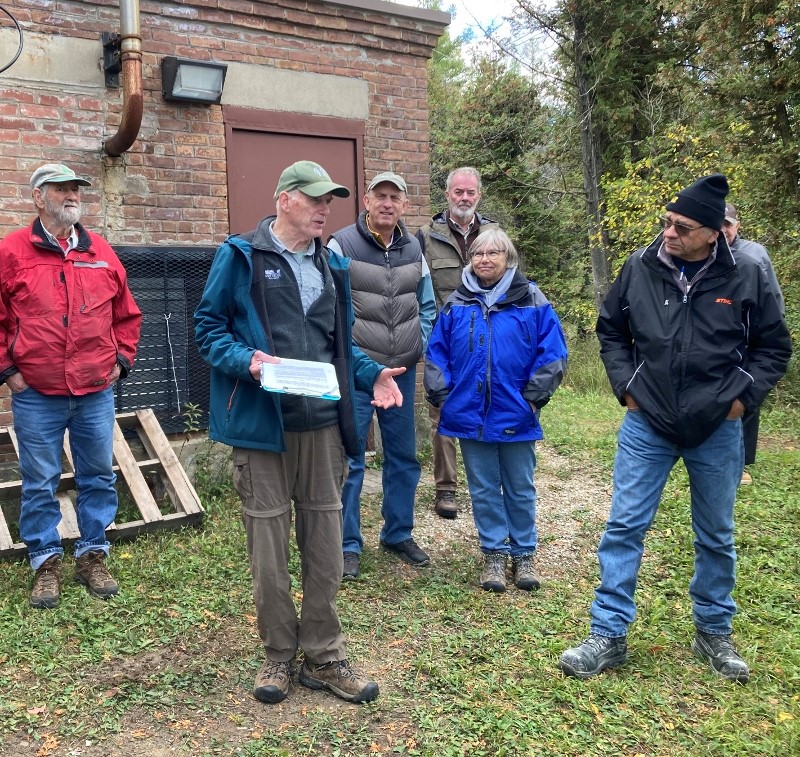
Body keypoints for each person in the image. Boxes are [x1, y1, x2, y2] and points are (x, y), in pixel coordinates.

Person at [559, 174, 791, 684]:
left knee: (716, 534)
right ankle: (608, 634)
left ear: (713, 232)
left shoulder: (748, 273)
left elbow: (773, 348)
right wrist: (628, 388)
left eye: (682, 227)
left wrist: (739, 402)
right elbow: (611, 331)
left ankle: (713, 632)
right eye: (666, 221)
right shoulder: (640, 267)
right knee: (624, 526)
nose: (668, 233)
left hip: (717, 426)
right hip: (649, 421)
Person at [194, 160, 406, 706]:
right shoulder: (240, 256)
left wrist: (371, 373)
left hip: (322, 428)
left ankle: (326, 654)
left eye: (329, 200)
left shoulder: (333, 266)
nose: (324, 209)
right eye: (314, 199)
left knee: (326, 549)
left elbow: (338, 349)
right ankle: (278, 655)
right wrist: (250, 362)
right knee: (269, 550)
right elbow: (207, 330)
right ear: (284, 198)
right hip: (265, 429)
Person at [0, 163, 142, 609]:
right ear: (38, 197)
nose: (71, 196)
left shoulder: (100, 251)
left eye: (75, 189)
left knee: (97, 474)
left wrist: (121, 360)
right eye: (61, 189)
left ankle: (92, 553)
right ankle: (45, 561)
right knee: (40, 480)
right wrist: (8, 372)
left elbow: (127, 314)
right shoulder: (12, 252)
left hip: (94, 390)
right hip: (37, 392)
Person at [424, 228, 568, 592]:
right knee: (484, 487)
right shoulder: (457, 302)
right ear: (470, 259)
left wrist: (533, 399)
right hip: (469, 414)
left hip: (515, 412)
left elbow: (552, 353)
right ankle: (493, 553)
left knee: (520, 485)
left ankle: (524, 553)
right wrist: (443, 396)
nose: (485, 259)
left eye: (493, 253)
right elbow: (437, 353)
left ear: (508, 258)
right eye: (478, 254)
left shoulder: (531, 299)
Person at [328, 171, 437, 580]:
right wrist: (353, 358)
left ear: (405, 205)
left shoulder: (414, 249)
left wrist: (417, 343)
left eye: (395, 197)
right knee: (352, 457)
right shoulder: (342, 244)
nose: (388, 203)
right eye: (381, 196)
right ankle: (347, 544)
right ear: (366, 200)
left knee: (403, 457)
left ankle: (398, 533)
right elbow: (333, 307)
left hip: (402, 371)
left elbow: (427, 305)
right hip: (359, 371)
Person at [416, 167, 499, 519]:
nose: (464, 198)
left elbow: (509, 279)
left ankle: (490, 484)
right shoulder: (425, 236)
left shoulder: (494, 233)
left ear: (479, 195)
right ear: (447, 194)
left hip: (490, 339)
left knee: (491, 404)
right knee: (443, 412)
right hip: (446, 340)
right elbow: (418, 289)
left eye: (470, 192)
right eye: (458, 192)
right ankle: (446, 489)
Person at [722, 202, 786, 485]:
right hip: (719, 340)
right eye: (718, 224)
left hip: (749, 338)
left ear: (737, 225)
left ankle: (742, 463)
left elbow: (772, 295)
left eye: (728, 224)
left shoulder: (754, 254)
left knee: (746, 398)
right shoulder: (705, 254)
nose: (723, 230)